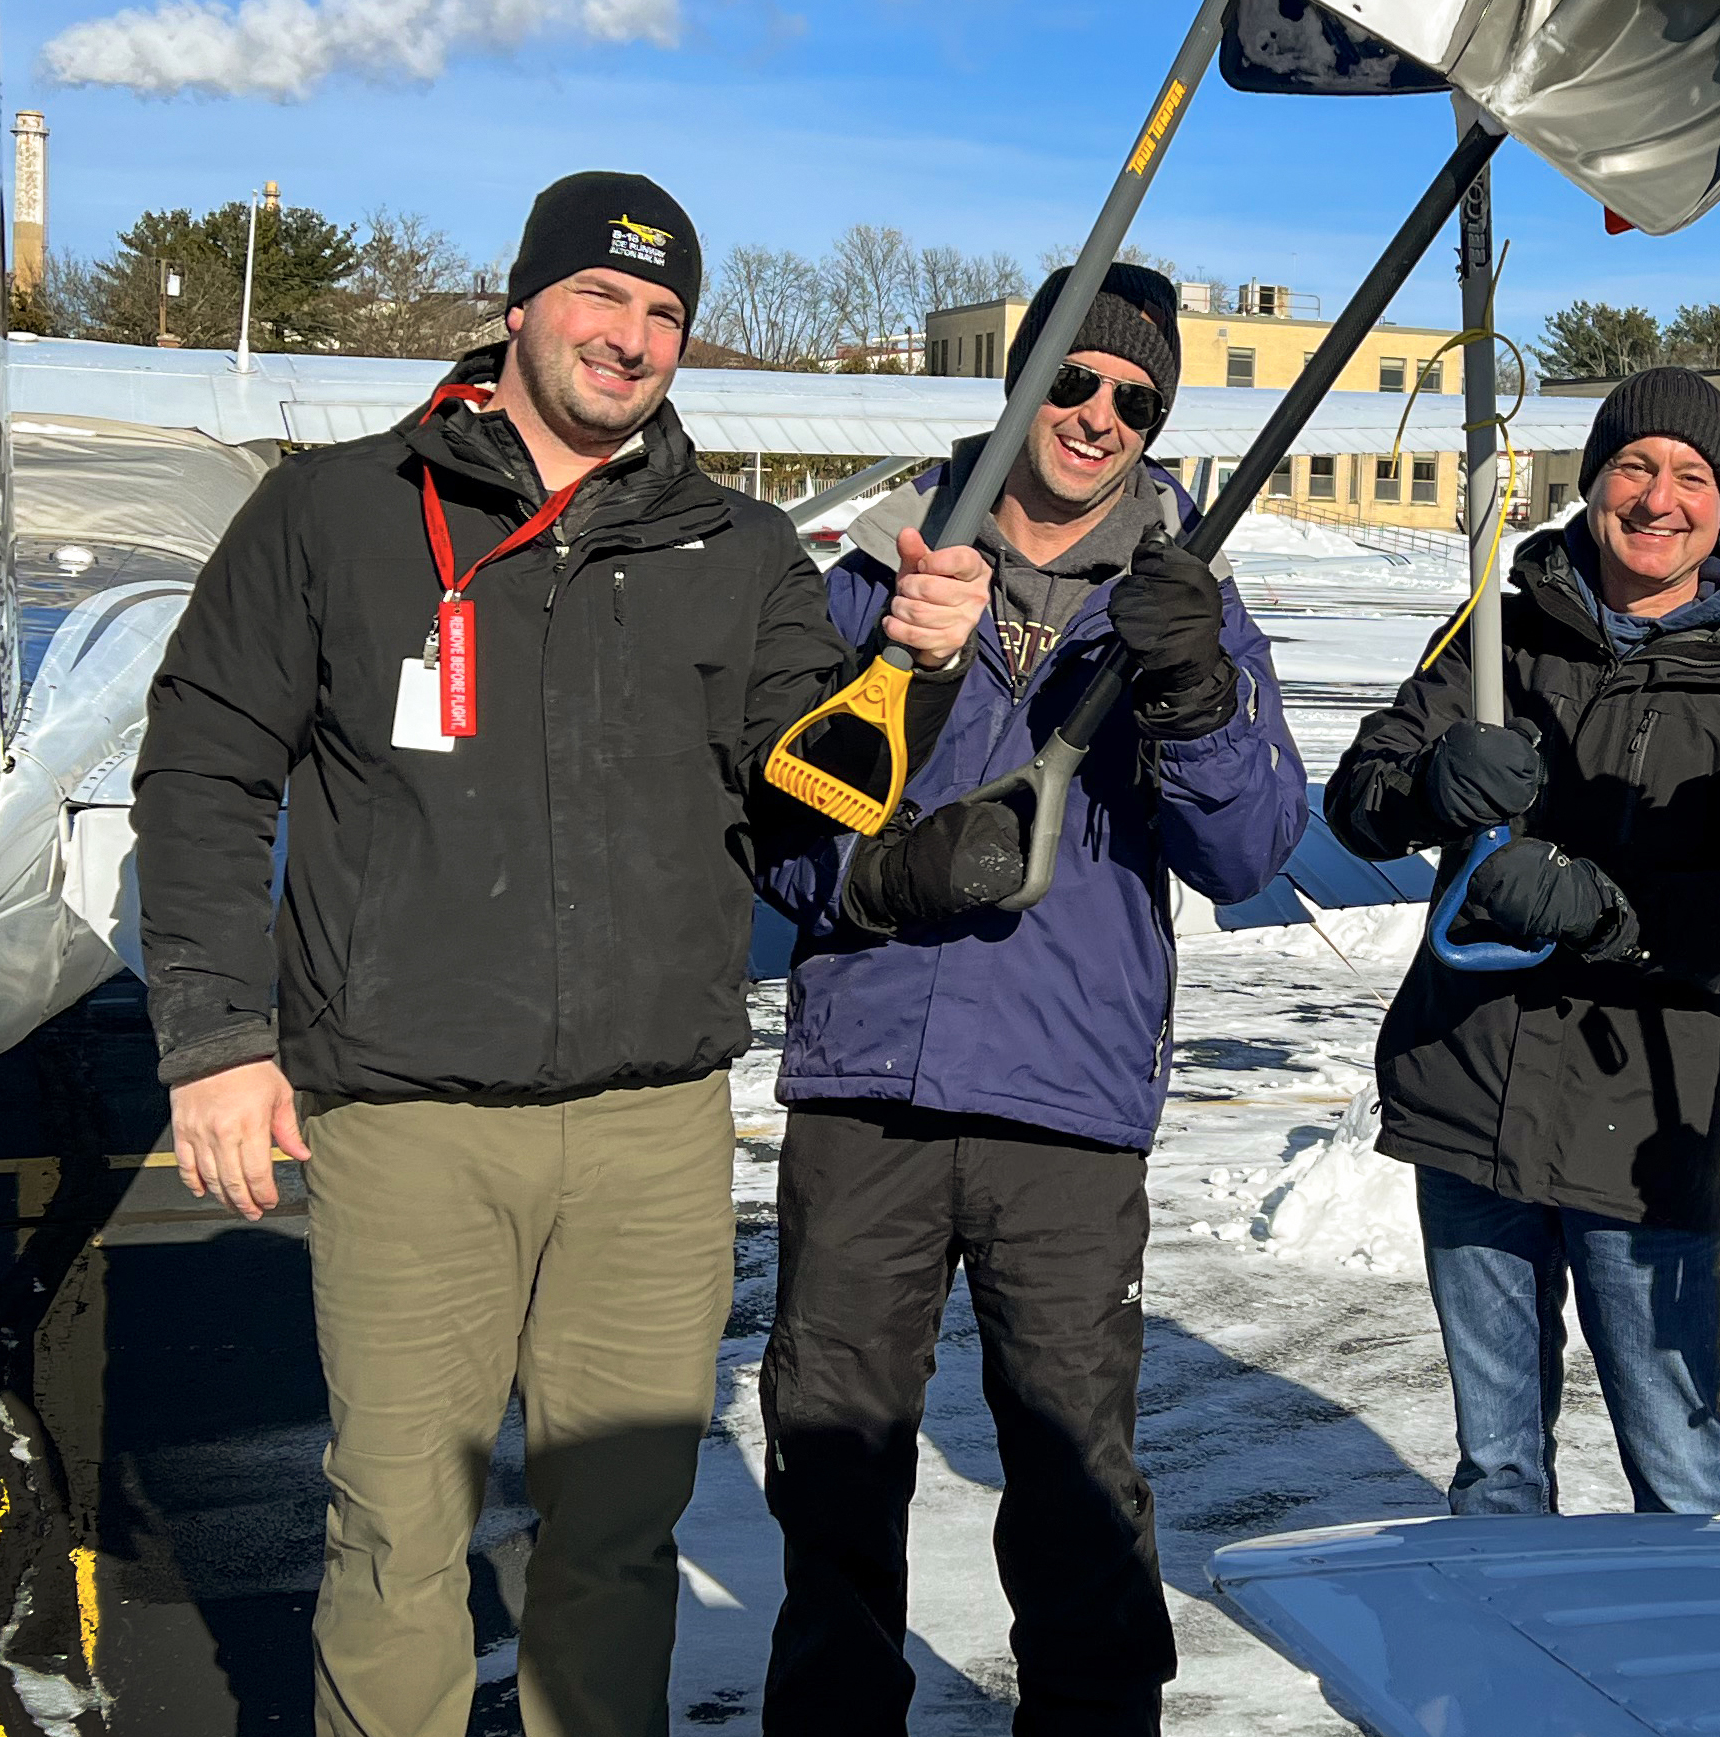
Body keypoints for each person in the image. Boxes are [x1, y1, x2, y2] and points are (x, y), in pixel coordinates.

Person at [134, 172, 992, 1737]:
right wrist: (214, 1034)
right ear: (520, 304)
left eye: (667, 313)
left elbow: (813, 777)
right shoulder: (332, 511)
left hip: (651, 1124)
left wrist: (913, 669)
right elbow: (202, 766)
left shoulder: (736, 551)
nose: (634, 335)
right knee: (398, 1531)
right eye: (604, 295)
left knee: (616, 1538)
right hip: (406, 1115)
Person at [755, 262, 1305, 1737]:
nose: (1099, 414)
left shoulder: (1189, 599)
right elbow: (784, 841)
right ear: (1019, 383)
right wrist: (890, 864)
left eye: (1137, 397)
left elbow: (1249, 849)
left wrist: (1194, 698)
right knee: (832, 1466)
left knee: (1073, 1486)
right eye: (1072, 378)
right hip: (866, 1088)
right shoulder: (878, 570)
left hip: (1064, 1109)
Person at [1322, 368, 1720, 1518]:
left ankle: (1710, 1693)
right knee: (1497, 1473)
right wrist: (1432, 787)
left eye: (1692, 476)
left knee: (1682, 1464)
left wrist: (1617, 916)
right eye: (1633, 468)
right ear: (1592, 484)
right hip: (1469, 1092)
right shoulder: (1495, 640)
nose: (1659, 499)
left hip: (1641, 1128)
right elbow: (1361, 797)